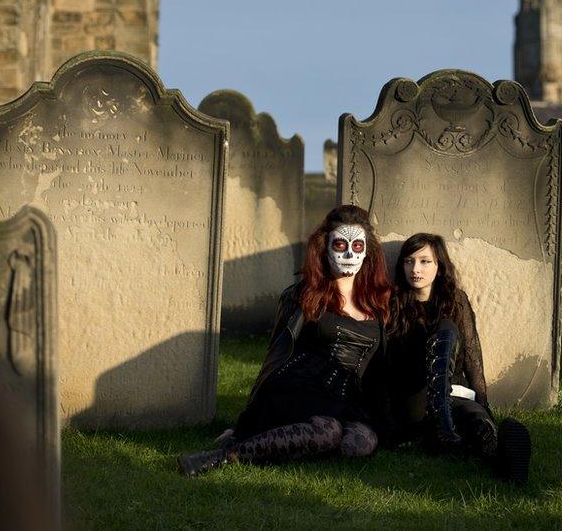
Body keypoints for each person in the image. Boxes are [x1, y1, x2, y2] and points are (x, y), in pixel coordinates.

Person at [177, 205, 393, 476]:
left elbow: (378, 369)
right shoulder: (304, 297)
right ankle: (223, 457)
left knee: (357, 445)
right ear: (325, 248)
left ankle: (290, 444)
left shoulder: (377, 302)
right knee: (328, 432)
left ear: (368, 252)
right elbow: (276, 355)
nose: (349, 253)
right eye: (340, 244)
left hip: (348, 398)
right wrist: (245, 424)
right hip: (303, 391)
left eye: (358, 246)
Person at [386, 233, 531, 483]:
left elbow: (473, 356)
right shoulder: (394, 303)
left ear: (439, 266)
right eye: (409, 261)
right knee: (446, 328)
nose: (415, 269)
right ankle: (442, 426)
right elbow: (388, 365)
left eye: (424, 261)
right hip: (416, 395)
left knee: (476, 421)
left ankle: (501, 460)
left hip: (453, 391)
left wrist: (483, 405)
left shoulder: (456, 300)